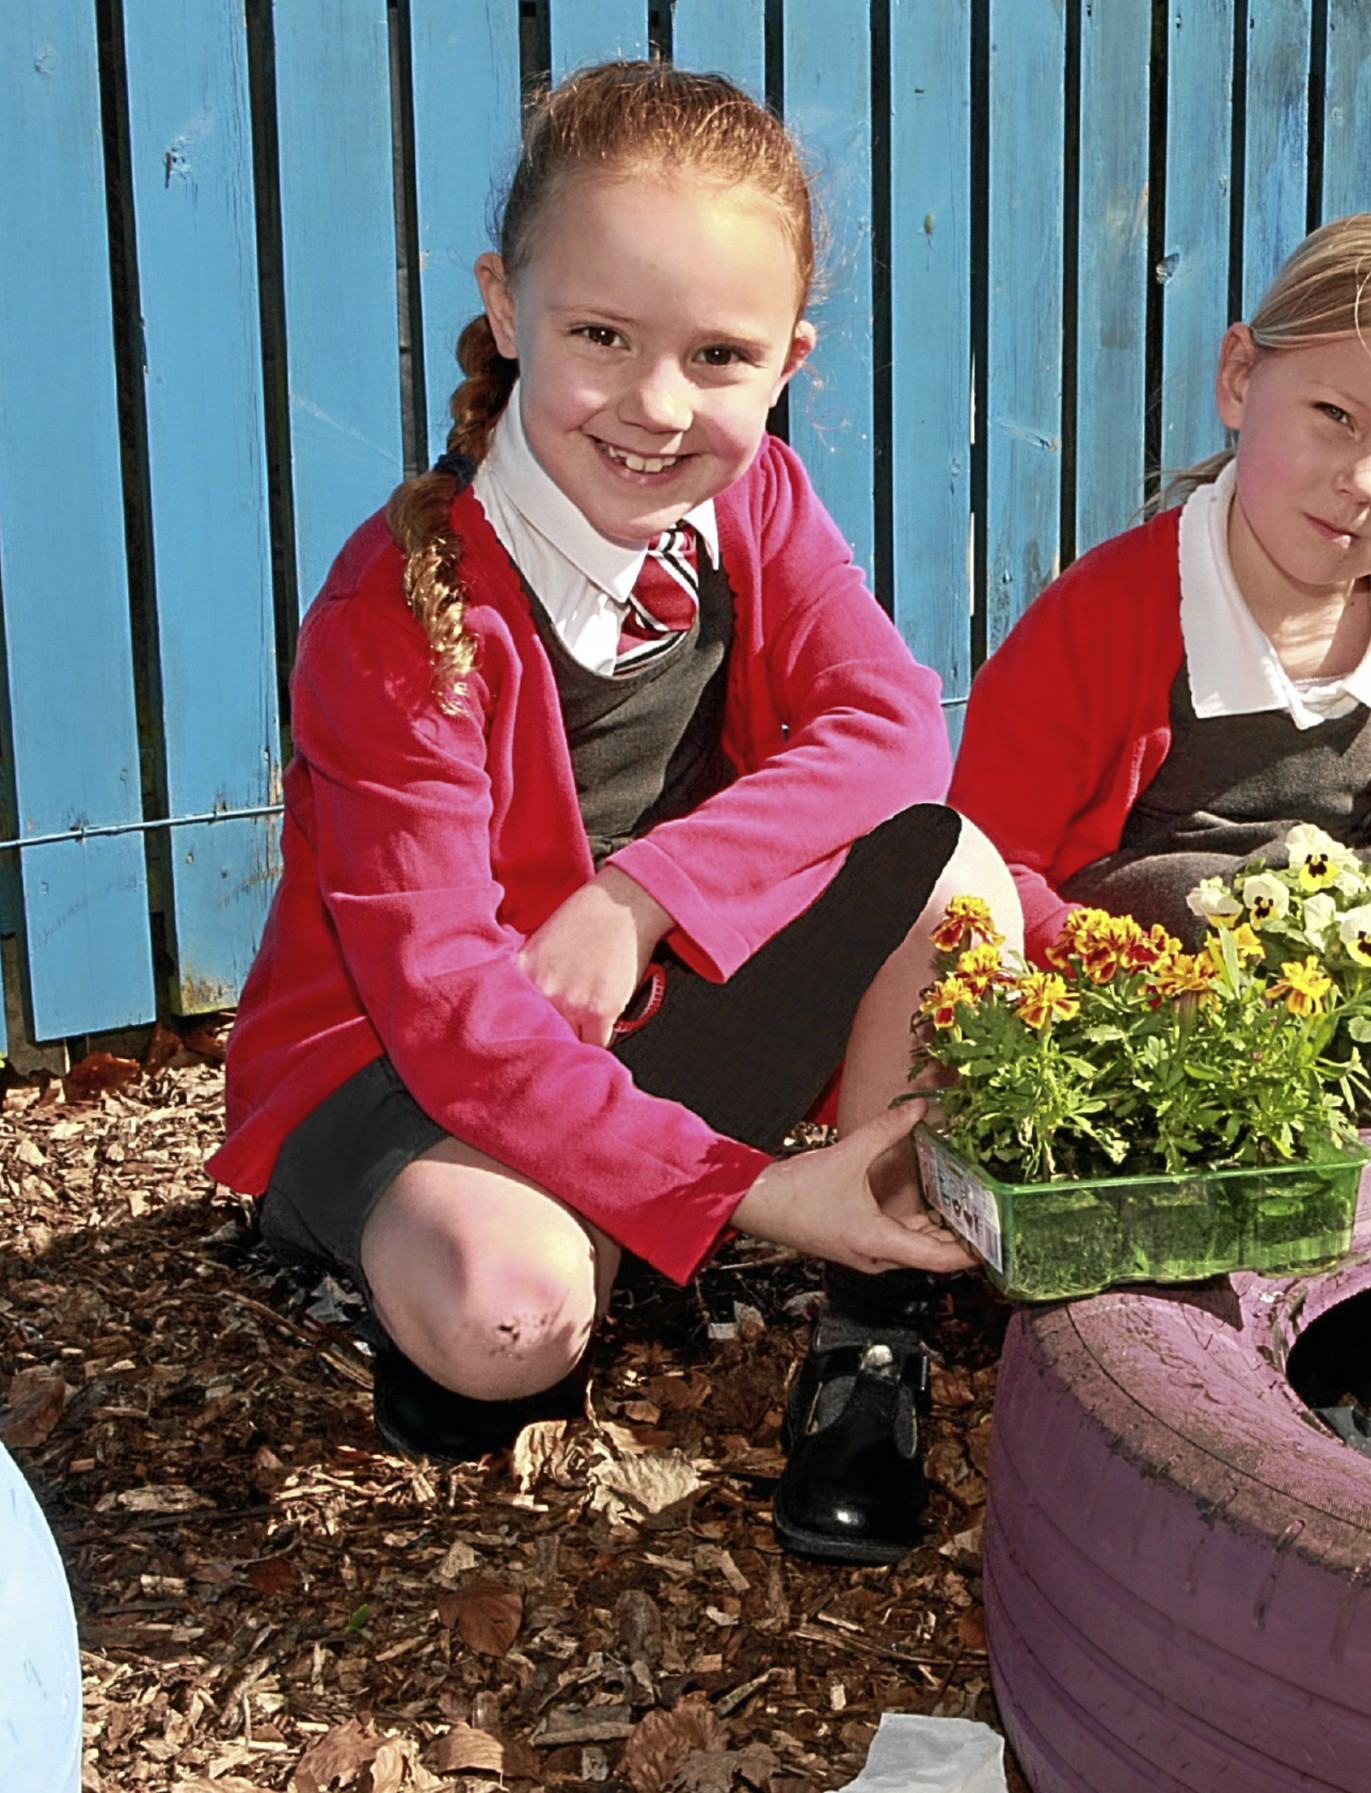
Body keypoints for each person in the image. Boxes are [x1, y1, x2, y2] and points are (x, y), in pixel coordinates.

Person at [207, 63, 1018, 1568]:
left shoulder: (757, 502)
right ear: (506, 312)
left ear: (788, 364)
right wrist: (768, 1191)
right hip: (398, 1064)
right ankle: (535, 1233)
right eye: (600, 336)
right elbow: (450, 1012)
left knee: (953, 867)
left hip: (625, 1003)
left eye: (719, 353)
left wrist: (640, 893)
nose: (658, 405)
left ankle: (873, 1329)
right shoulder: (401, 607)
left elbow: (894, 726)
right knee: (506, 1324)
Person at [948, 213, 1371, 960]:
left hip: (1346, 1012)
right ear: (1240, 377)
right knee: (1198, 894)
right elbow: (988, 862)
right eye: (1336, 416)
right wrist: (1127, 983)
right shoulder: (1102, 618)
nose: (1366, 481)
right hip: (1147, 1000)